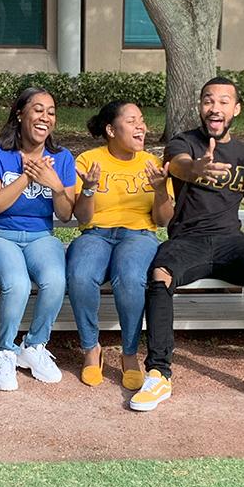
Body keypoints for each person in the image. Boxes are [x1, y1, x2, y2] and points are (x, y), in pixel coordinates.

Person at [130, 76, 244, 414]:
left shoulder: (242, 154)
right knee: (160, 273)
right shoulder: (183, 143)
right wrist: (196, 168)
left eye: (223, 102)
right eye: (208, 100)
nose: (215, 107)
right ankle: (158, 372)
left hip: (230, 242)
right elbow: (179, 166)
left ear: (235, 109)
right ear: (200, 107)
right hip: (187, 241)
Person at [66, 101, 173, 390]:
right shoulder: (88, 160)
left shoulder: (152, 163)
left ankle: (129, 354)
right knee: (79, 274)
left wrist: (162, 189)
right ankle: (91, 349)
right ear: (111, 130)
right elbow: (82, 216)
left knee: (130, 278)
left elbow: (162, 220)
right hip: (96, 233)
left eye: (142, 120)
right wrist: (88, 188)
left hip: (139, 235)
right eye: (132, 121)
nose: (142, 127)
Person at [0, 88, 76, 391]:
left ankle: (33, 346)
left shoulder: (61, 158)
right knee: (17, 283)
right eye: (37, 109)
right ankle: (5, 351)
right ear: (20, 114)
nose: (45, 117)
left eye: (51, 111)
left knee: (55, 280)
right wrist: (27, 178)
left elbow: (64, 214)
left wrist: (57, 186)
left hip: (40, 236)